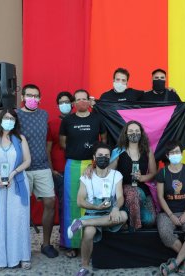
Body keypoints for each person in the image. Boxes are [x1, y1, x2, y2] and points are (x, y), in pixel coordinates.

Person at [0, 109, 31, 269]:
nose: (9, 121)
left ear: (15, 122)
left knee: (18, 220)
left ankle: (21, 256)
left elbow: (27, 160)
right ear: (0, 119)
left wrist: (13, 173)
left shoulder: (20, 138)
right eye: (6, 118)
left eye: (12, 118)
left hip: (16, 183)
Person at [67, 142, 127, 276]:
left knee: (123, 215)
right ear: (94, 157)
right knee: (88, 233)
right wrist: (95, 206)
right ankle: (84, 266)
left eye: (106, 155)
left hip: (110, 212)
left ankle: (81, 223)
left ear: (110, 157)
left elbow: (120, 196)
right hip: (93, 213)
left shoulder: (116, 175)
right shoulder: (86, 176)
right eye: (100, 155)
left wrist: (116, 208)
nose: (103, 158)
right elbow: (80, 201)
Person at [59, 89, 107, 256]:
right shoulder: (67, 120)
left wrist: (94, 162)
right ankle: (71, 244)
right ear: (74, 103)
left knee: (93, 202)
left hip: (93, 166)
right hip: (72, 165)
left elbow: (104, 141)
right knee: (71, 203)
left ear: (89, 101)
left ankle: (91, 243)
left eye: (84, 99)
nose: (81, 102)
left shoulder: (97, 118)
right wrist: (77, 151)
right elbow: (63, 142)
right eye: (77, 99)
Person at [17, 84, 58, 258]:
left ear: (40, 99)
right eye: (29, 95)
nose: (32, 99)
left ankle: (46, 244)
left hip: (42, 167)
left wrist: (50, 165)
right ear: (22, 97)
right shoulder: (15, 115)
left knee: (50, 202)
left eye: (36, 96)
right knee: (19, 209)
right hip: (21, 168)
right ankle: (19, 247)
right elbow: (0, 135)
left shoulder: (44, 115)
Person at [155, 140, 185, 276]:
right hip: (167, 213)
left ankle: (175, 263)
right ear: (167, 155)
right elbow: (160, 197)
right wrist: (171, 215)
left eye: (177, 152)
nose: (175, 154)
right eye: (172, 152)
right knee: (165, 232)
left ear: (182, 153)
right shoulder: (162, 173)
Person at [111, 120, 157, 230]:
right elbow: (108, 172)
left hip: (143, 189)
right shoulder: (118, 151)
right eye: (130, 131)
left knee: (150, 220)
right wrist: (115, 160)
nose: (134, 133)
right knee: (134, 193)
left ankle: (126, 215)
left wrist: (142, 178)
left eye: (137, 131)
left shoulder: (147, 151)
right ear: (125, 133)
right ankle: (134, 228)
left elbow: (153, 173)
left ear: (141, 133)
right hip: (124, 189)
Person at [46, 91, 74, 255]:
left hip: (78, 168)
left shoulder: (79, 120)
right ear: (57, 105)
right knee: (65, 206)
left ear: (72, 103)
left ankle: (79, 239)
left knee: (78, 205)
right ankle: (66, 242)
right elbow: (48, 149)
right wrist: (52, 170)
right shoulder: (52, 124)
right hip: (60, 171)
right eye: (61, 102)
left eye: (67, 101)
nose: (64, 104)